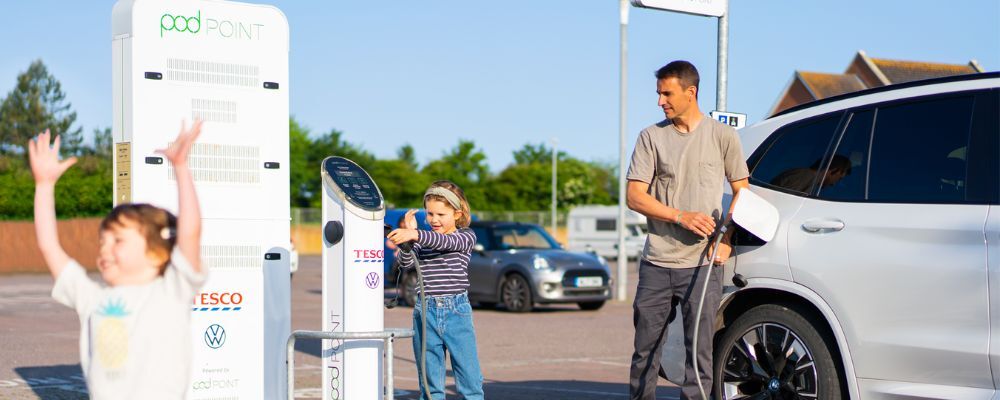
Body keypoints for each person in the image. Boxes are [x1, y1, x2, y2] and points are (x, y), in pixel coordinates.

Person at [29, 121, 207, 399]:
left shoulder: (172, 291)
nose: (105, 249)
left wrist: (181, 167)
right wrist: (44, 185)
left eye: (118, 241)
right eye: (103, 241)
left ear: (157, 253)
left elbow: (191, 234)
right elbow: (49, 247)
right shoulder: (92, 298)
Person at [626, 61, 750, 400]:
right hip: (657, 262)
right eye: (659, 93)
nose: (660, 101)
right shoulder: (650, 137)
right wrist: (680, 216)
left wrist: (727, 239)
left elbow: (743, 191)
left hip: (703, 265)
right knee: (645, 352)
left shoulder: (723, 136)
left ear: (690, 92)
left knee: (700, 355)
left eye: (667, 93)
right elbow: (634, 196)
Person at [387, 180, 484, 400]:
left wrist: (415, 235)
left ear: (457, 214)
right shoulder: (422, 239)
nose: (434, 220)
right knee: (430, 384)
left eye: (441, 214)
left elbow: (443, 243)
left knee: (469, 379)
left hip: (456, 311)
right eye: (430, 214)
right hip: (425, 311)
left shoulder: (465, 236)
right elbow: (405, 263)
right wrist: (407, 241)